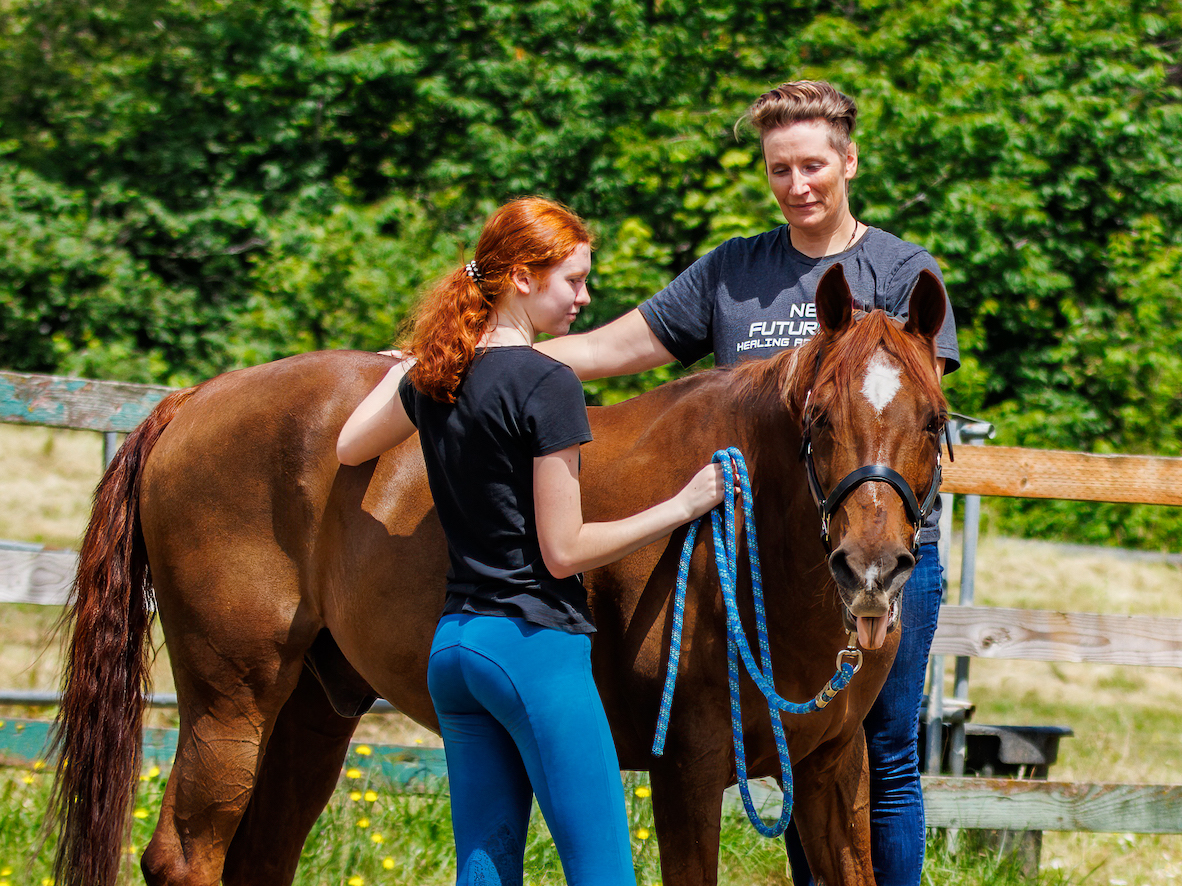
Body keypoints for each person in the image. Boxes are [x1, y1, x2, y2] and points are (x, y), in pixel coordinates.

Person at [535, 82, 960, 886]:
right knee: (792, 749)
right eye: (779, 169)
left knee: (880, 752)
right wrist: (475, 350)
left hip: (887, 547)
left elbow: (911, 405)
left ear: (849, 161)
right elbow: (610, 351)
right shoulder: (736, 270)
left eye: (812, 166)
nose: (797, 185)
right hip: (758, 565)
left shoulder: (902, 270)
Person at [336, 196, 727, 886]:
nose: (584, 297)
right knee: (605, 874)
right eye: (572, 280)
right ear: (521, 277)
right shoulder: (546, 382)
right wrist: (681, 505)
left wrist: (412, 363)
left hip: (455, 651)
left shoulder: (436, 374)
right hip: (532, 649)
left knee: (485, 874)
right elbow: (564, 551)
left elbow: (347, 446)